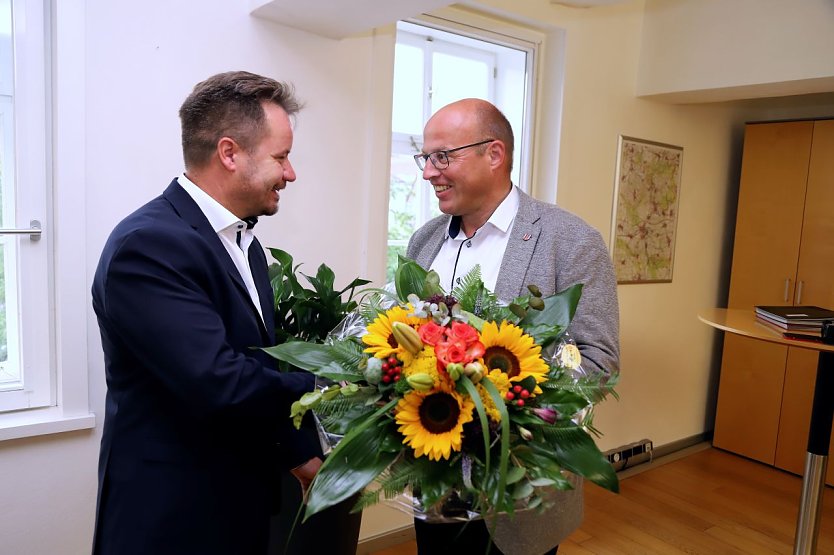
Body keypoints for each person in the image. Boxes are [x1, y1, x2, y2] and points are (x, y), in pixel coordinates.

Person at [91, 71, 322, 555]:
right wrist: (333, 389)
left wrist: (299, 453)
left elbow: (259, 364)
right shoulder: (148, 245)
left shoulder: (245, 244)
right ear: (229, 153)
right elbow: (220, 381)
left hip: (240, 506)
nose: (292, 173)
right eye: (281, 157)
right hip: (173, 518)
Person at [406, 98, 620, 554]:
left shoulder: (572, 242)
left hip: (521, 498)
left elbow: (600, 362)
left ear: (494, 154)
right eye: (425, 157)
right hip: (437, 486)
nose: (428, 172)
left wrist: (508, 406)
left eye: (442, 156)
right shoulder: (424, 240)